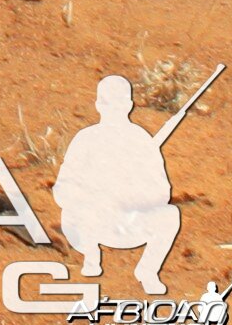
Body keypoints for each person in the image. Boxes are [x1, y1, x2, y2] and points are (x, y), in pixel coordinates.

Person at [54, 77, 184, 296]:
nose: (113, 108)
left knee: (170, 215)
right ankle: (91, 257)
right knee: (78, 213)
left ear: (129, 105)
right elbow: (62, 189)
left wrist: (132, 196)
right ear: (98, 105)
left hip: (129, 223)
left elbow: (163, 192)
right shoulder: (85, 139)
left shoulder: (141, 140)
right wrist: (93, 197)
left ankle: (148, 271)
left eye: (119, 102)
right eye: (107, 102)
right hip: (89, 225)